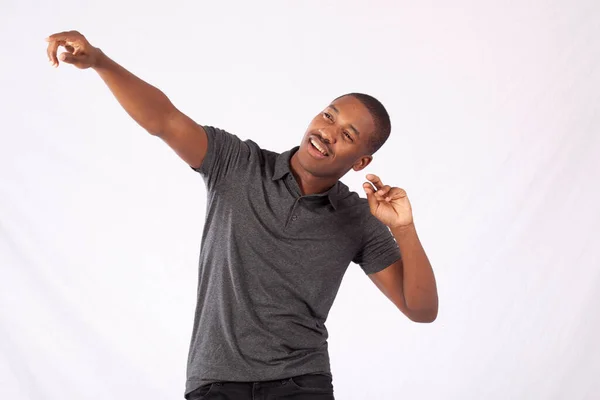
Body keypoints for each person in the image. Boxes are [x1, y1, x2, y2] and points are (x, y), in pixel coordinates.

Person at [45, 30, 439, 400]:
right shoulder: (238, 164)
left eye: (348, 135)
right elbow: (164, 119)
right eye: (329, 116)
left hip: (302, 383)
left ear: (362, 161)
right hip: (215, 382)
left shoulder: (358, 217)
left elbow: (421, 310)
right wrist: (100, 61)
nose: (328, 132)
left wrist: (403, 228)